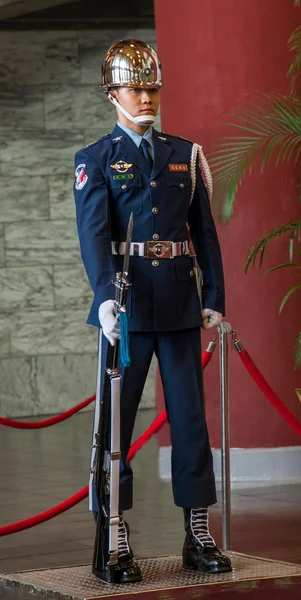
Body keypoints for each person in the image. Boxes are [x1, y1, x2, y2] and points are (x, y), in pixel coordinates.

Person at [73, 39, 232, 584]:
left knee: (190, 422)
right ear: (113, 94)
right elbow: (94, 239)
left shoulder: (184, 153)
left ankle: (197, 530)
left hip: (181, 308)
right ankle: (113, 531)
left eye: (152, 88)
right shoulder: (94, 159)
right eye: (135, 89)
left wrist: (213, 298)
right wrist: (105, 300)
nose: (146, 98)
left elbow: (204, 235)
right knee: (115, 429)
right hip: (128, 306)